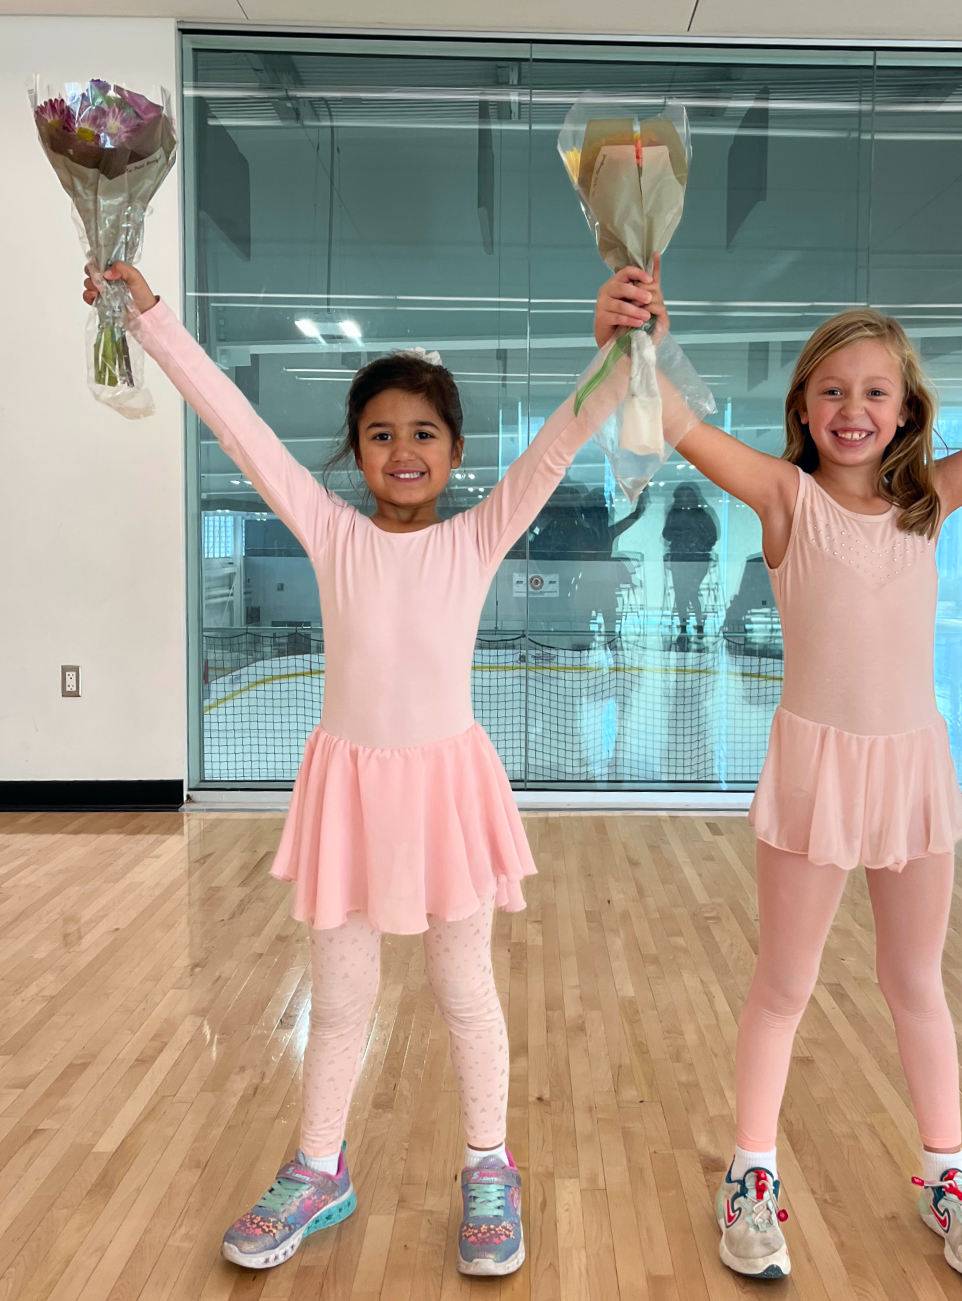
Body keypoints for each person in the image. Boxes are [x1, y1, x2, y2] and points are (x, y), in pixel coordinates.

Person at [87, 260, 665, 1276]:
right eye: (381, 432)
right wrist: (152, 319)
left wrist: (625, 344)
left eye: (424, 431)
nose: (403, 449)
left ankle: (489, 1164)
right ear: (355, 450)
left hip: (445, 794)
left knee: (463, 987)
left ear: (454, 450)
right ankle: (320, 1166)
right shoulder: (329, 531)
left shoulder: (481, 535)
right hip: (350, 798)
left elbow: (564, 438)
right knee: (341, 996)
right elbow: (237, 427)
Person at [594, 223, 962, 1282]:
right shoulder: (783, 500)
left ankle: (947, 1175)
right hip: (816, 768)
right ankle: (752, 1172)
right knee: (785, 982)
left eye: (875, 392)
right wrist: (631, 332)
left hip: (911, 766)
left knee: (915, 981)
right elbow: (674, 419)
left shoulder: (930, 503)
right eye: (832, 390)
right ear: (802, 407)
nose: (853, 408)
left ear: (907, 411)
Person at [662, 483, 717, 640]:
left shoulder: (703, 515)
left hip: (698, 560)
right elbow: (666, 534)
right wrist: (680, 533)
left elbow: (711, 538)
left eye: (688, 497)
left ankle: (697, 624)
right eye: (682, 497)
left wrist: (696, 543)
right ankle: (686, 625)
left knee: (690, 590)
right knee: (681, 592)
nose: (686, 501)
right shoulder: (674, 515)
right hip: (679, 559)